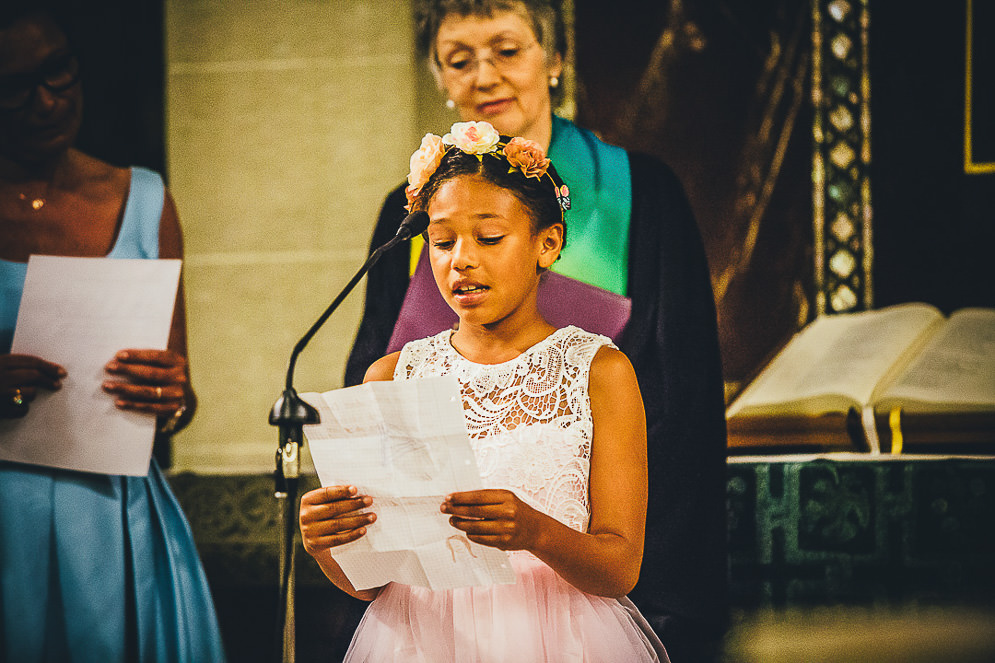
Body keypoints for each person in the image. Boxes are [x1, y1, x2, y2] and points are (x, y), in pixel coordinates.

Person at [345, 1, 728, 659]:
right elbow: (377, 367)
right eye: (459, 59)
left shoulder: (643, 193)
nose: (484, 76)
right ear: (439, 77)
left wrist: (657, 582)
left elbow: (686, 396)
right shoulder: (407, 215)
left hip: (607, 567)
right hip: (440, 596)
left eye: (507, 50)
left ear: (554, 61)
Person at [303, 119, 670, 662]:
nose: (461, 260)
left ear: (547, 243)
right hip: (422, 639)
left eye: (489, 237)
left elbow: (621, 566)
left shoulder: (600, 371)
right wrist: (327, 545)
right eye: (442, 241)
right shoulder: (390, 377)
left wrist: (536, 532)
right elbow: (373, 584)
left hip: (558, 636)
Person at [0, 7, 225, 661]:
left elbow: (178, 402)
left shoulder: (144, 198)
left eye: (59, 72)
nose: (47, 100)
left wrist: (171, 395)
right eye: (15, 86)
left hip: (111, 510)